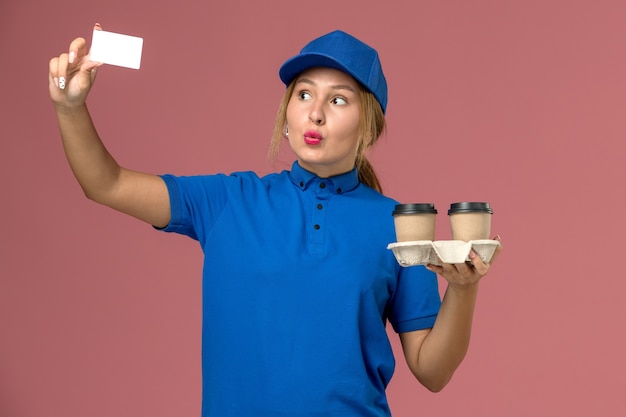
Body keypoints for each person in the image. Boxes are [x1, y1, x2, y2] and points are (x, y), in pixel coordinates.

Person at [49, 25, 502, 417]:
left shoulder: (399, 224)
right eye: (304, 94)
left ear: (369, 128)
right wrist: (71, 108)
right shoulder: (229, 200)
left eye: (338, 100)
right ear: (286, 114)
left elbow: (433, 370)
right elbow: (105, 184)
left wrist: (464, 288)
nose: (315, 112)